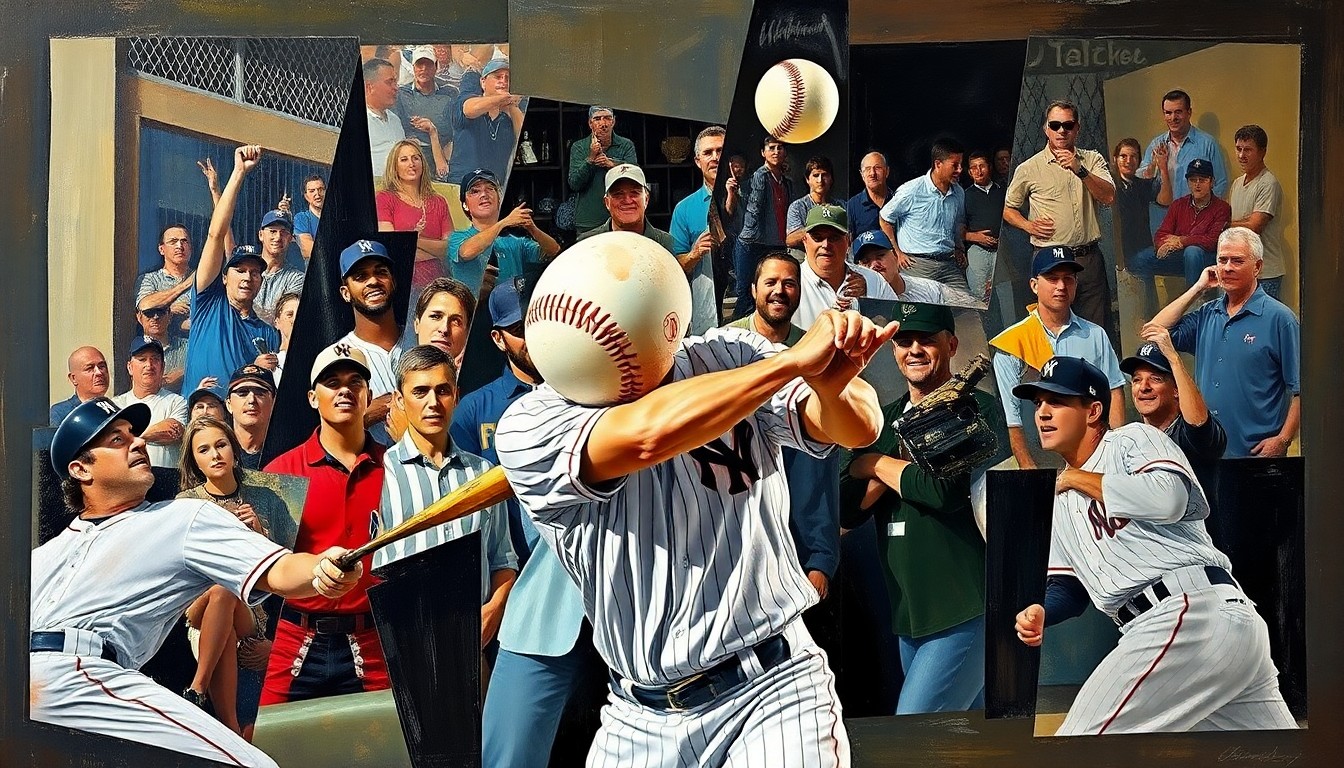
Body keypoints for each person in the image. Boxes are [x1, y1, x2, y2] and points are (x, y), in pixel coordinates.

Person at [496, 298, 902, 766]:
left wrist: (833, 389)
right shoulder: (528, 423)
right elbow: (647, 435)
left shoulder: (728, 352)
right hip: (637, 715)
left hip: (772, 685)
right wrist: (790, 363)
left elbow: (862, 426)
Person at [31, 398, 361, 767]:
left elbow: (280, 570)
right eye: (116, 440)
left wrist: (321, 566)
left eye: (134, 435)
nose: (138, 442)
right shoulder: (42, 556)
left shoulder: (182, 517)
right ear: (80, 470)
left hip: (82, 675)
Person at [1011, 356, 1296, 735]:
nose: (1043, 414)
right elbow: (1069, 588)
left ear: (1094, 410)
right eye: (1038, 404)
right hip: (1212, 629)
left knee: (1077, 743)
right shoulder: (1061, 494)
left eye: (1058, 402)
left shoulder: (1131, 439)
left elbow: (1170, 499)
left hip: (1186, 614)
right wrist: (1042, 610)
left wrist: (1079, 479)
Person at [841, 302, 1009, 714]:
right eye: (904, 341)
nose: (914, 349)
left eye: (927, 341)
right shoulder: (882, 419)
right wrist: (898, 465)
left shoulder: (975, 407)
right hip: (910, 615)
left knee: (913, 731)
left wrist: (874, 464)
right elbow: (847, 508)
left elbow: (942, 491)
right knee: (958, 745)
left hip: (964, 607)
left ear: (951, 345)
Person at [260, 343, 390, 704]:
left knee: (380, 753)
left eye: (354, 381)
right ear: (313, 397)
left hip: (374, 640)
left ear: (368, 395)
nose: (344, 390)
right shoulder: (280, 472)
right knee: (275, 750)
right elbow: (266, 571)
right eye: (332, 382)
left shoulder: (394, 470)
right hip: (297, 638)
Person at [375, 345, 518, 666]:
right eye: (420, 391)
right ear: (399, 400)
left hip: (471, 649)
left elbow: (502, 558)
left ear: (456, 395)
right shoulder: (379, 475)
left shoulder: (483, 475)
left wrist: (492, 612)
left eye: (442, 390)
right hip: (399, 651)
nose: (432, 403)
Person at [177, 415, 299, 741]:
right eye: (204, 450)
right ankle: (227, 722)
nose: (215, 455)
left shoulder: (265, 497)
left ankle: (200, 695)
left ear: (233, 449)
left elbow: (286, 570)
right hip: (196, 610)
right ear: (195, 461)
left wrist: (258, 533)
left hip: (250, 610)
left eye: (221, 445)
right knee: (220, 590)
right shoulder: (185, 505)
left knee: (226, 597)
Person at [1149, 228, 1299, 458]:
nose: (1227, 267)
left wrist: (1283, 440)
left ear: (1257, 267)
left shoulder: (1280, 319)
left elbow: (1301, 390)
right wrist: (1197, 288)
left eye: (1237, 261)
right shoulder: (1207, 314)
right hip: (1207, 454)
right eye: (1222, 260)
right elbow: (1155, 331)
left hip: (1257, 456)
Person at [991, 246, 1125, 469]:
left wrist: (1115, 452)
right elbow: (1012, 420)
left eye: (1068, 279)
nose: (1061, 286)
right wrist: (1029, 469)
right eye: (1052, 279)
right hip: (1043, 460)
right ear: (1034, 285)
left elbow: (1114, 392)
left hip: (1094, 457)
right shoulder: (1012, 343)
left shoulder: (1095, 334)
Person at [1003, 100, 1117, 333]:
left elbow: (1108, 196)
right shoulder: (1029, 167)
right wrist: (1028, 225)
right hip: (1049, 260)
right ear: (1046, 129)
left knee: (1096, 330)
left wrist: (1080, 170)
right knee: (1052, 329)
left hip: (1087, 259)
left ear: (1077, 128)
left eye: (1068, 125)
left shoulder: (1092, 160)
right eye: (1055, 125)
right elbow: (1007, 209)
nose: (1061, 130)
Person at [450, 278, 539, 558]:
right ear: (498, 339)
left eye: (538, 322)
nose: (533, 337)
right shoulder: (475, 408)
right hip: (509, 560)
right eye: (518, 329)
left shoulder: (581, 394)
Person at [182, 145, 282, 394]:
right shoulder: (208, 303)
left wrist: (256, 368)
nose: (248, 276)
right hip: (200, 419)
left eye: (255, 272)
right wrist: (238, 173)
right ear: (224, 277)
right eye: (240, 270)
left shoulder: (268, 333)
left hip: (241, 426)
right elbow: (217, 234)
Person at [1120, 328, 1226, 496]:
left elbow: (1199, 424)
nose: (1144, 387)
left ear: (1177, 389)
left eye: (1155, 379)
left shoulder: (1190, 436)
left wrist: (1174, 359)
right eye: (1137, 380)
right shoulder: (1129, 439)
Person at [1128, 159, 1231, 302]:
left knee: (1193, 252)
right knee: (1141, 259)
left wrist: (1182, 241)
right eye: (1193, 180)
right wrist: (1162, 245)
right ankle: (1148, 309)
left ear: (1212, 182)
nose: (1197, 184)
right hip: (1179, 257)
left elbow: (1213, 241)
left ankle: (1193, 306)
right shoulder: (1178, 204)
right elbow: (1161, 233)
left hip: (1205, 258)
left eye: (1202, 180)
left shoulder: (1222, 208)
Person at [448, 167, 560, 298]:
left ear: (498, 199)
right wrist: (504, 222)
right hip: (474, 315)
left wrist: (532, 228)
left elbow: (554, 250)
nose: (484, 194)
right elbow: (466, 252)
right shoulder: (457, 238)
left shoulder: (515, 241)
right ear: (465, 205)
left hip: (511, 316)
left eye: (490, 188)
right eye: (475, 191)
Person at [333, 239, 403, 446]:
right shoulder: (337, 356)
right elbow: (334, 429)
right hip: (373, 470)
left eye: (381, 272)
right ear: (346, 293)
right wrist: (388, 406)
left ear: (393, 281)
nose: (373, 281)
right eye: (360, 276)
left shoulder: (422, 337)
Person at [880, 138, 971, 292]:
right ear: (938, 164)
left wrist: (958, 248)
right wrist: (897, 252)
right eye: (955, 165)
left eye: (961, 164)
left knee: (968, 308)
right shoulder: (911, 190)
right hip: (917, 265)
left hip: (948, 264)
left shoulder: (959, 193)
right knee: (919, 307)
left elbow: (957, 223)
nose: (960, 170)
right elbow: (885, 219)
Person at [1138, 89, 1230, 233]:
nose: (1173, 118)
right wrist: (1153, 166)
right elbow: (1140, 180)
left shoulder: (1207, 144)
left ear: (1189, 112)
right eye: (1168, 113)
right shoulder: (1156, 145)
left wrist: (1205, 216)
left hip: (1197, 226)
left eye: (1178, 112)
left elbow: (1221, 184)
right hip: (1162, 223)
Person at [792, 205, 897, 329]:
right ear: (805, 241)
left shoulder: (872, 280)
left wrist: (867, 305)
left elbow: (896, 324)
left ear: (848, 241)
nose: (826, 245)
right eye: (818, 238)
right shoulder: (790, 282)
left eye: (834, 238)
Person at [669, 125, 729, 335]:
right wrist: (694, 254)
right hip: (705, 311)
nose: (715, 157)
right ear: (697, 161)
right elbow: (675, 267)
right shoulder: (684, 209)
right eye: (708, 153)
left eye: (720, 151)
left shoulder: (752, 200)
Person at [377, 139, 453, 294]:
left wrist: (414, 239)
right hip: (402, 281)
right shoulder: (384, 198)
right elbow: (392, 247)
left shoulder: (439, 202)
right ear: (394, 166)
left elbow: (449, 249)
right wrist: (433, 249)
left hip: (438, 282)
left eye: (415, 158)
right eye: (404, 159)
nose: (411, 163)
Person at [732, 136, 793, 318]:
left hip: (776, 243)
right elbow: (754, 209)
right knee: (747, 295)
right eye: (771, 148)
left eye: (780, 148)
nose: (776, 151)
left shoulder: (786, 181)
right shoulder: (760, 176)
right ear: (763, 153)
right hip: (753, 243)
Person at [1228, 125, 1290, 299]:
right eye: (1238, 149)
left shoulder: (1268, 183)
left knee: (1263, 325)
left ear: (1262, 152)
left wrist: (1222, 225)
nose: (1241, 155)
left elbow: (1255, 225)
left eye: (1248, 150)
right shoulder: (1237, 183)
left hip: (1266, 273)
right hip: (1242, 271)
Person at [112, 336, 189, 468]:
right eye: (142, 359)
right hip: (129, 482)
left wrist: (128, 438)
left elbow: (171, 431)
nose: (149, 365)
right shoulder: (115, 405)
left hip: (167, 481)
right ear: (130, 367)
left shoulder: (177, 402)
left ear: (162, 367)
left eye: (155, 359)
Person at [850, 230, 978, 307]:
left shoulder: (930, 290)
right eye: (866, 262)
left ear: (895, 256)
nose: (874, 265)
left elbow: (973, 307)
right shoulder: (854, 303)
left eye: (880, 256)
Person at [450, 57, 524, 182]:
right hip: (463, 184)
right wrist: (503, 98)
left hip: (494, 186)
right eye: (498, 76)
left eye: (508, 78)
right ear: (483, 82)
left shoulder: (509, 114)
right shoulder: (467, 100)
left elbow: (522, 136)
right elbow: (469, 109)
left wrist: (511, 105)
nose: (504, 81)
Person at [577, 164, 676, 254]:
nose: (627, 200)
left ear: (646, 199)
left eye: (634, 193)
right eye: (618, 194)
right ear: (607, 202)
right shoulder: (586, 245)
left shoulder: (668, 245)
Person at [568, 106, 638, 234]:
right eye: (597, 119)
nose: (603, 124)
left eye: (607, 118)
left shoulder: (626, 145)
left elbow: (635, 176)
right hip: (589, 222)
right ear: (590, 123)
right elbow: (574, 184)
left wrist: (610, 164)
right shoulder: (579, 147)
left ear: (613, 122)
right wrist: (590, 159)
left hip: (621, 220)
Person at [1111, 138, 1170, 283]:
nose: (1128, 161)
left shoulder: (1141, 185)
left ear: (1139, 160)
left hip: (1142, 251)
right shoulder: (1109, 185)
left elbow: (1165, 200)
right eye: (1123, 156)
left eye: (1133, 156)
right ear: (1115, 159)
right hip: (1119, 256)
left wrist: (1162, 168)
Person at [396, 45, 454, 182]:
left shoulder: (449, 93)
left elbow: (453, 130)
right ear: (413, 67)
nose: (423, 69)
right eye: (419, 65)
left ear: (436, 67)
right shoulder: (401, 94)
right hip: (413, 154)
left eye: (428, 65)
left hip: (443, 153)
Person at [962, 149, 1006, 306]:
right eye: (974, 167)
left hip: (1002, 252)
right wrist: (975, 237)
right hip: (977, 252)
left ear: (990, 167)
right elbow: (955, 229)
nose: (978, 171)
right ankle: (985, 330)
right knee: (979, 297)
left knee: (1005, 295)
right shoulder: (964, 196)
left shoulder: (1003, 192)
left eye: (982, 166)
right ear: (969, 172)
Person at [136, 224, 195, 337]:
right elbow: (145, 306)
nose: (179, 246)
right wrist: (169, 310)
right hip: (160, 349)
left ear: (190, 248)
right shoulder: (150, 279)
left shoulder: (202, 279)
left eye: (184, 241)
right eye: (173, 242)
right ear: (161, 249)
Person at [250, 209, 305, 327]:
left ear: (290, 238)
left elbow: (284, 317)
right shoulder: (247, 270)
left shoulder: (297, 278)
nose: (278, 237)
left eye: (284, 232)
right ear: (261, 235)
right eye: (272, 231)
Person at [785, 156, 842, 259]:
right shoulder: (797, 206)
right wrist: (819, 226)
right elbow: (790, 240)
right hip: (804, 257)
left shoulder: (840, 206)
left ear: (831, 179)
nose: (820, 180)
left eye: (824, 175)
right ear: (808, 180)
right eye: (816, 175)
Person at [225, 364, 277, 470]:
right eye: (242, 393)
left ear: (274, 402)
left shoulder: (286, 452)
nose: (251, 400)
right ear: (229, 404)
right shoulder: (217, 451)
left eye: (260, 393)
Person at [365, 57, 406, 177]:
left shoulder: (395, 120)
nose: (396, 87)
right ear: (369, 87)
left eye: (395, 82)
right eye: (390, 82)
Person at [136, 300, 187, 393]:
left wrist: (186, 371)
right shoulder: (134, 351)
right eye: (149, 313)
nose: (155, 317)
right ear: (139, 317)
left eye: (160, 312)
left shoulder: (187, 347)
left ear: (170, 315)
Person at [50, 346, 110, 424]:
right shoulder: (61, 414)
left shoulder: (115, 410)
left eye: (102, 366)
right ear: (74, 379)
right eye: (90, 368)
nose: (99, 373)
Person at [845, 151, 893, 238]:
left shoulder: (898, 201)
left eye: (877, 168)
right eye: (867, 169)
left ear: (887, 171)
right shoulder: (852, 206)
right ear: (862, 175)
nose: (872, 173)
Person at [293, 175, 325, 262]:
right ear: (306, 196)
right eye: (312, 191)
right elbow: (308, 249)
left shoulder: (337, 217)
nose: (317, 194)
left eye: (321, 189)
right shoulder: (301, 219)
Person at [272, 292, 300, 388]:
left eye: (300, 314)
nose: (295, 319)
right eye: (289, 314)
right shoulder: (269, 364)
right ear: (277, 322)